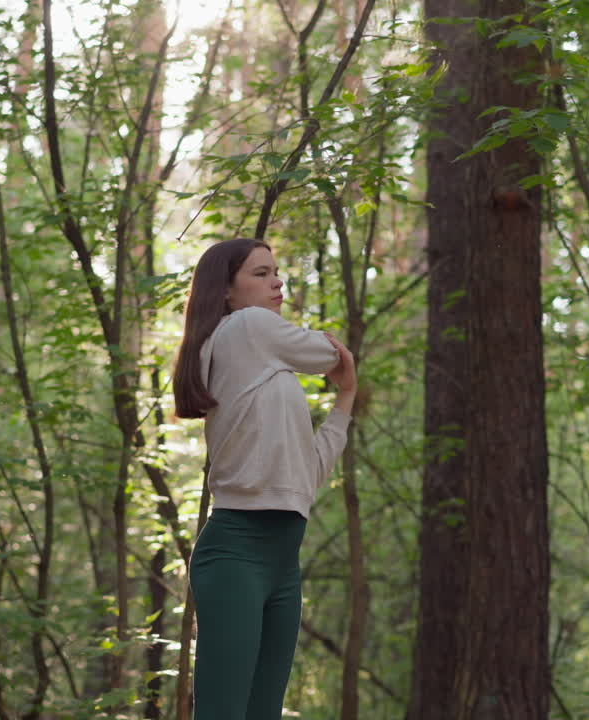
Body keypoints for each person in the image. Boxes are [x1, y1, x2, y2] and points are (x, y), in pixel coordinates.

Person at [173, 238, 357, 720]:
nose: (277, 281)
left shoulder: (269, 373)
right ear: (226, 292)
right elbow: (328, 355)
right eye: (260, 273)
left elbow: (309, 474)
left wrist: (345, 402)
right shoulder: (248, 327)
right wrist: (344, 367)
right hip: (236, 552)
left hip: (283, 562)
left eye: (276, 271)